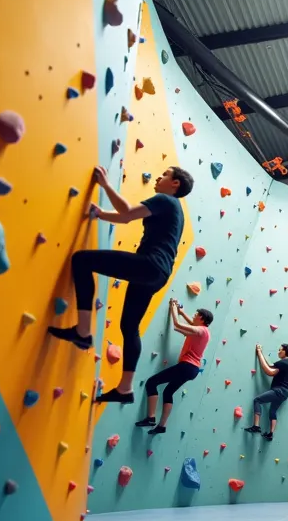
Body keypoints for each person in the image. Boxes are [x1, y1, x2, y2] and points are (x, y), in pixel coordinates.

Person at [48, 165, 193, 404]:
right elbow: (126, 216)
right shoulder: (175, 211)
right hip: (158, 274)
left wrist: (105, 184)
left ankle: (83, 331)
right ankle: (125, 388)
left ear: (175, 183)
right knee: (129, 326)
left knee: (81, 260)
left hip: (150, 264)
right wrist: (101, 214)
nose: (159, 177)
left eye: (165, 174)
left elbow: (126, 213)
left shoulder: (165, 200)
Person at [135, 299, 212, 434]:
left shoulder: (200, 330)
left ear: (201, 318)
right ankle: (162, 426)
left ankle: (151, 417)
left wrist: (174, 309)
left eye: (196, 314)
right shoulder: (204, 332)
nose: (193, 316)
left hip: (187, 366)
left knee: (152, 382)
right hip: (192, 370)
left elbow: (177, 325)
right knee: (168, 392)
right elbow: (190, 324)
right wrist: (181, 312)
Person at [245, 343, 288, 440]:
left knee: (257, 400)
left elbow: (269, 370)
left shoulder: (284, 362)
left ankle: (256, 426)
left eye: (281, 350)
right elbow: (274, 369)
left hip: (278, 390)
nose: (279, 352)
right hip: (285, 392)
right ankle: (270, 434)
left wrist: (259, 352)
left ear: (285, 351)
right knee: (272, 410)